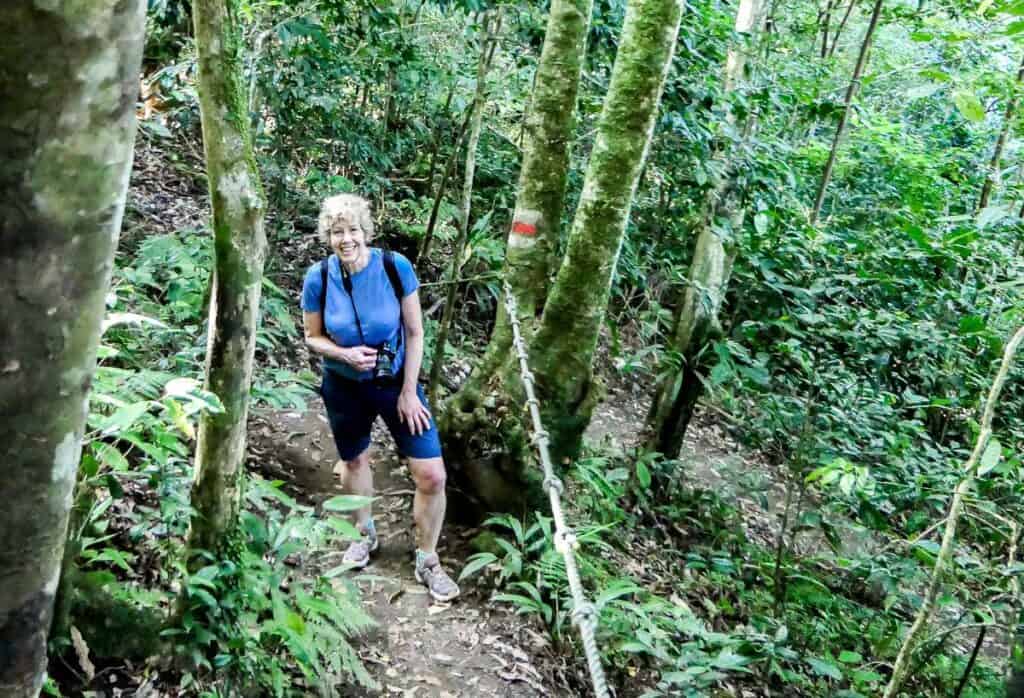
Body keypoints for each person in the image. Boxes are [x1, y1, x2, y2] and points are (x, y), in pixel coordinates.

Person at [301, 193, 460, 602]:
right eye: (337, 231)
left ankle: (427, 558)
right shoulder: (318, 277)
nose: (346, 238)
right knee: (354, 459)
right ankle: (363, 535)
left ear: (365, 232)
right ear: (328, 236)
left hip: (395, 383)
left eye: (352, 230)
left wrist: (410, 390)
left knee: (432, 474)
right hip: (343, 384)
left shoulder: (394, 267)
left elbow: (415, 332)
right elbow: (312, 337)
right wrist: (343, 353)